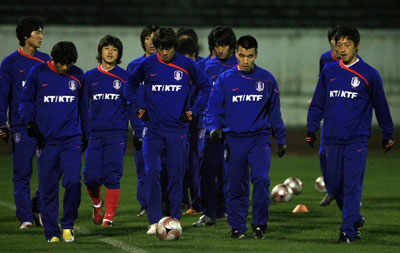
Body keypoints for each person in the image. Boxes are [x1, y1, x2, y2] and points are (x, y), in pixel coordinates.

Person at [306, 25, 394, 243]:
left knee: (352, 186)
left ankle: (347, 231)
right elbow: (318, 102)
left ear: (357, 46)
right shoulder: (329, 72)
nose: (342, 49)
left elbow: (381, 107)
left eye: (347, 45)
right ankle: (354, 218)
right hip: (332, 139)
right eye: (339, 45)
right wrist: (311, 127)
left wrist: (388, 133)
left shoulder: (370, 74)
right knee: (335, 186)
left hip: (357, 140)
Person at [126, 27, 211, 235]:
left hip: (177, 131)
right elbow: (130, 85)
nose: (163, 53)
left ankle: (174, 219)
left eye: (168, 49)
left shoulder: (187, 64)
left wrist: (192, 112)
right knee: (152, 173)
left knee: (175, 176)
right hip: (152, 131)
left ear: (174, 47)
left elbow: (206, 87)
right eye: (160, 49)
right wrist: (138, 109)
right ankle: (154, 221)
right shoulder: (146, 64)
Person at [206, 35, 286, 239]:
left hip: (259, 139)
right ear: (236, 54)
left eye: (250, 56)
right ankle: (237, 227)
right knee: (236, 185)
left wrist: (281, 138)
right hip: (233, 140)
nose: (245, 61)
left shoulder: (267, 79)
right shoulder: (225, 79)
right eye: (242, 56)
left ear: (256, 55)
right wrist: (214, 128)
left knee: (261, 180)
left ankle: (259, 225)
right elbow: (213, 108)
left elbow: (275, 112)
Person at [19, 41, 86, 242]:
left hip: (71, 139)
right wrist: (29, 123)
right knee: (48, 189)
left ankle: (67, 224)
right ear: (54, 60)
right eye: (61, 64)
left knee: (74, 182)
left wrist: (86, 134)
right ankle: (52, 232)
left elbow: (83, 108)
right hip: (46, 141)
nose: (65, 68)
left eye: (68, 64)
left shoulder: (79, 75)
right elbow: (26, 101)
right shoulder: (38, 73)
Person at [0, 16, 50, 229]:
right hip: (21, 127)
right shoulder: (10, 63)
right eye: (37, 32)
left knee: (51, 170)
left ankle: (35, 205)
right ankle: (26, 218)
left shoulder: (46, 60)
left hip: (44, 128)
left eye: (41, 31)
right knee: (22, 173)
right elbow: (2, 95)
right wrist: (2, 123)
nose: (41, 36)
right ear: (24, 36)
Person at [193, 25, 237, 227]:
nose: (221, 49)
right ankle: (208, 212)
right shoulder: (204, 67)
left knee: (229, 171)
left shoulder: (240, 65)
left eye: (225, 45)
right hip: (208, 126)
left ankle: (226, 208)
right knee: (207, 168)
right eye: (217, 45)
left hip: (234, 126)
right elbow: (196, 94)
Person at [83, 35, 128, 227]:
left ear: (119, 54)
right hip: (95, 134)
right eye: (106, 48)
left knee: (113, 176)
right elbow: (83, 107)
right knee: (90, 177)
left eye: (114, 49)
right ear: (100, 51)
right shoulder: (89, 77)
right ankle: (97, 203)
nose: (110, 52)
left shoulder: (125, 77)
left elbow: (131, 105)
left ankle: (109, 217)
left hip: (117, 133)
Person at [127, 25, 159, 217]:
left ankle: (165, 204)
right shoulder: (134, 66)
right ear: (143, 41)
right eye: (148, 38)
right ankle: (146, 205)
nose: (152, 42)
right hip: (143, 126)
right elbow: (132, 99)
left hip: (165, 126)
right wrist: (139, 126)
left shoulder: (167, 65)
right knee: (143, 170)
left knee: (164, 170)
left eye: (155, 38)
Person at [177, 36, 203, 215]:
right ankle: (180, 202)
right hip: (180, 125)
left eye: (190, 57)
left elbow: (206, 95)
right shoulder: (176, 73)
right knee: (180, 166)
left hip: (198, 125)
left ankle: (198, 203)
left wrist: (192, 112)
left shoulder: (201, 71)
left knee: (197, 166)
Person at [316, 25, 342, 207]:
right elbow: (322, 84)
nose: (339, 44)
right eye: (336, 40)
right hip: (329, 114)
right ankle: (331, 190)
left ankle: (350, 194)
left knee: (346, 157)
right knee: (324, 154)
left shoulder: (357, 62)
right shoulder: (325, 59)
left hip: (348, 116)